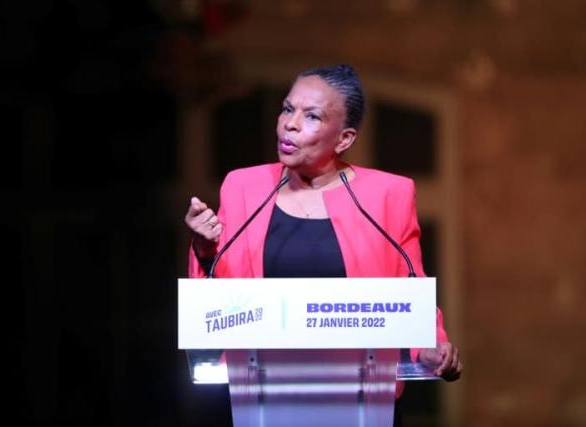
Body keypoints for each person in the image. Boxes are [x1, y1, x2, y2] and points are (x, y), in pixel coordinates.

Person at [184, 63, 462, 402]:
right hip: (261, 394)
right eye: (288, 109)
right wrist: (204, 247)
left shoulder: (388, 194)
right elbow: (221, 291)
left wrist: (430, 346)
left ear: (344, 139)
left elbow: (410, 287)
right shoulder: (243, 186)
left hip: (361, 396)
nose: (290, 124)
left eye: (312, 116)